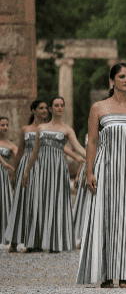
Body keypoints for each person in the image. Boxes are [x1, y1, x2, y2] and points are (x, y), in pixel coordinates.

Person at [77, 63, 126, 288]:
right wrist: (89, 171)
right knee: (105, 218)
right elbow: (93, 142)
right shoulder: (98, 108)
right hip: (105, 169)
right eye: (122, 76)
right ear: (113, 80)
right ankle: (107, 275)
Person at [22, 96, 86, 253]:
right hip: (41, 168)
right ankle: (34, 243)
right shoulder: (41, 128)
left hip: (58, 169)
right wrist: (26, 171)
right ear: (50, 109)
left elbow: (78, 148)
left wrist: (95, 156)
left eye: (62, 105)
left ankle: (56, 243)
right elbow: (34, 152)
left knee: (57, 202)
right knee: (38, 201)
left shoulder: (67, 129)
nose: (59, 108)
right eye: (56, 105)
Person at [3, 100, 48, 252]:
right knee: (21, 202)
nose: (45, 111)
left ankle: (35, 242)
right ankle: (14, 243)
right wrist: (15, 173)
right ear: (33, 110)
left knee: (38, 203)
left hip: (42, 167)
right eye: (41, 108)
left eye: (46, 108)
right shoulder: (25, 129)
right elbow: (20, 152)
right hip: (25, 167)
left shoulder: (48, 128)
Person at [0, 116, 19, 243]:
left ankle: (5, 234)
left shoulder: (10, 145)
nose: (5, 128)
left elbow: (20, 157)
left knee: (4, 202)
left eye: (7, 125)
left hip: (3, 176)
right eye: (2, 125)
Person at [72, 133, 89, 248]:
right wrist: (78, 175)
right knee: (82, 205)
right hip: (85, 168)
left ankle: (86, 239)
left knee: (89, 204)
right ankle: (82, 238)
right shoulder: (87, 135)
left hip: (94, 169)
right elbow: (85, 157)